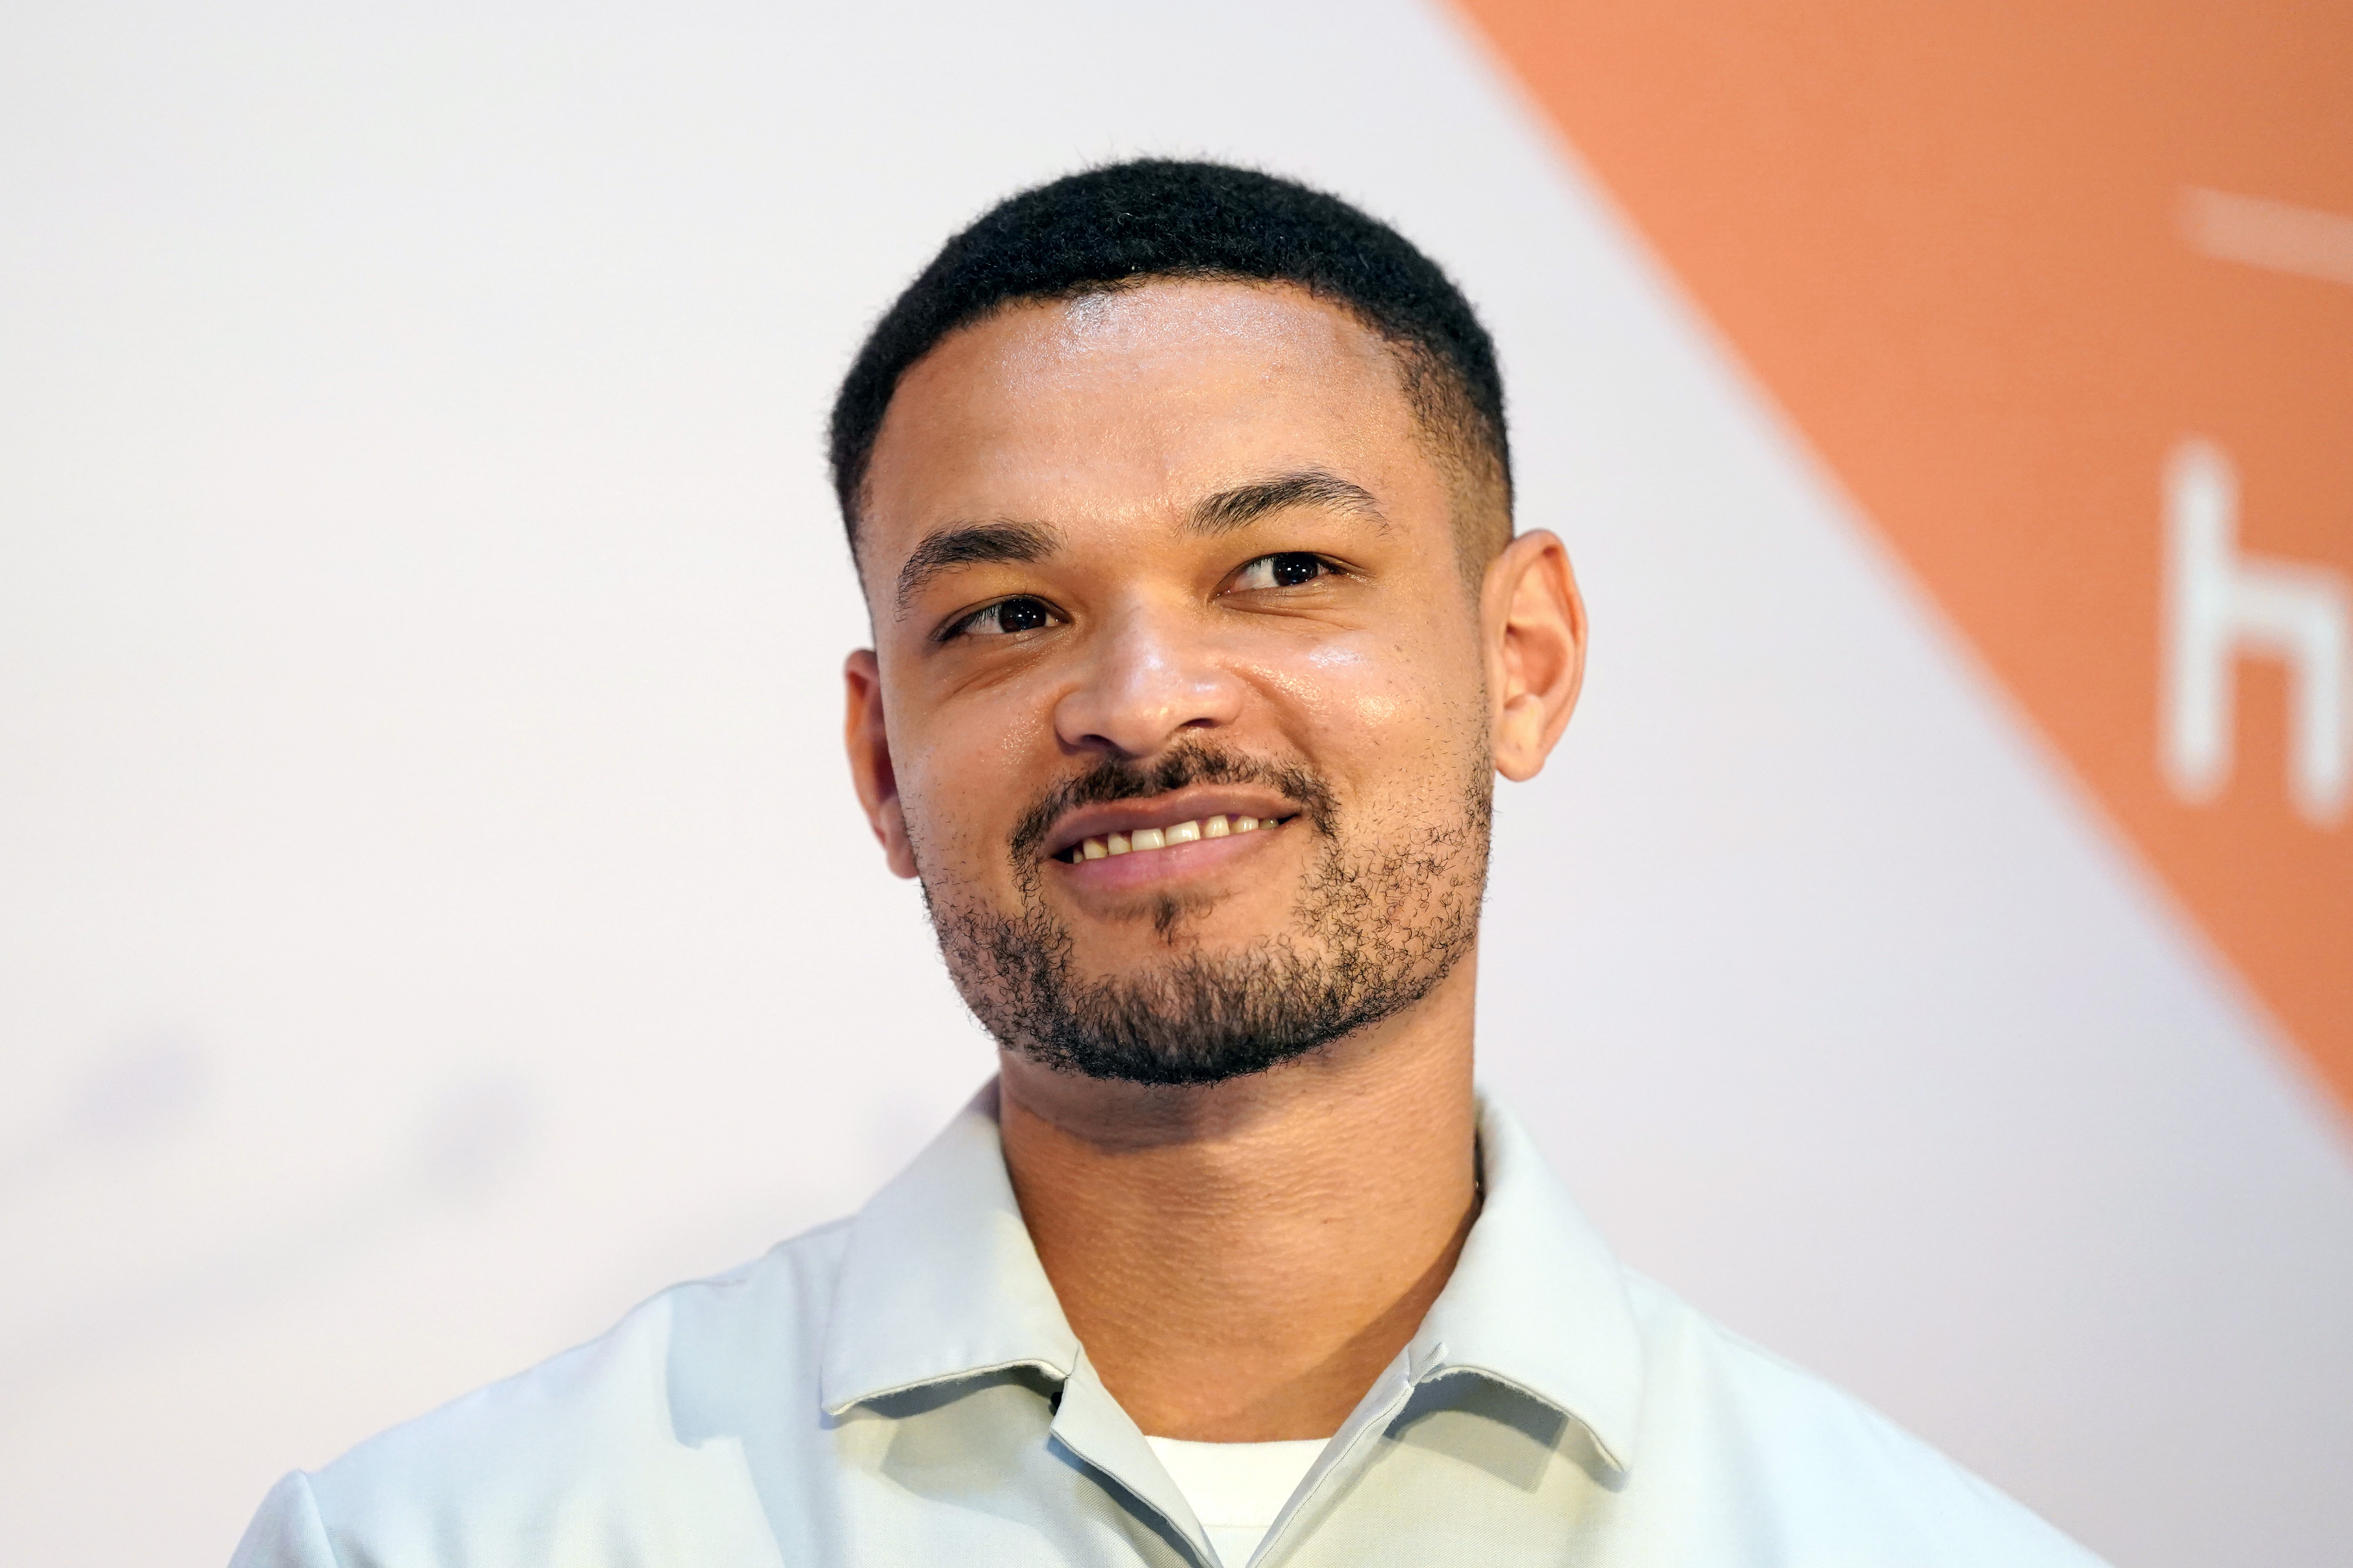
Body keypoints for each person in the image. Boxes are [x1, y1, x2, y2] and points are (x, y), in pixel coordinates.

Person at [231, 160, 2102, 1568]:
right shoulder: (445, 1541)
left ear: (1522, 662)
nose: (1139, 702)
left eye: (1283, 571)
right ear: (881, 763)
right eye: (1010, 613)